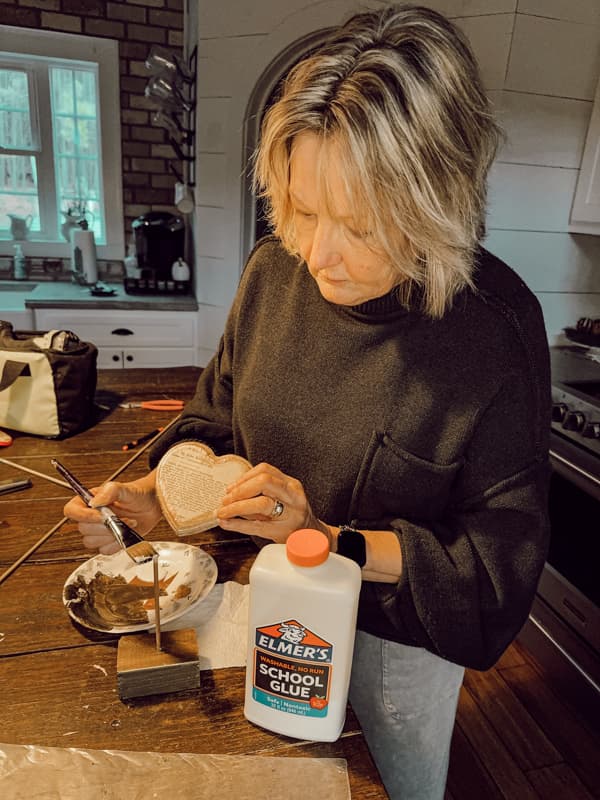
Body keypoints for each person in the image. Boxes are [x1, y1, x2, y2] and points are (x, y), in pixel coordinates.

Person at [64, 5, 551, 799]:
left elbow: (494, 571)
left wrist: (327, 537)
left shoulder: (493, 333)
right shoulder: (274, 271)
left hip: (393, 649)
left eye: (358, 224)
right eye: (302, 207)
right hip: (258, 607)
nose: (318, 255)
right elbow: (212, 417)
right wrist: (157, 498)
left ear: (438, 200)